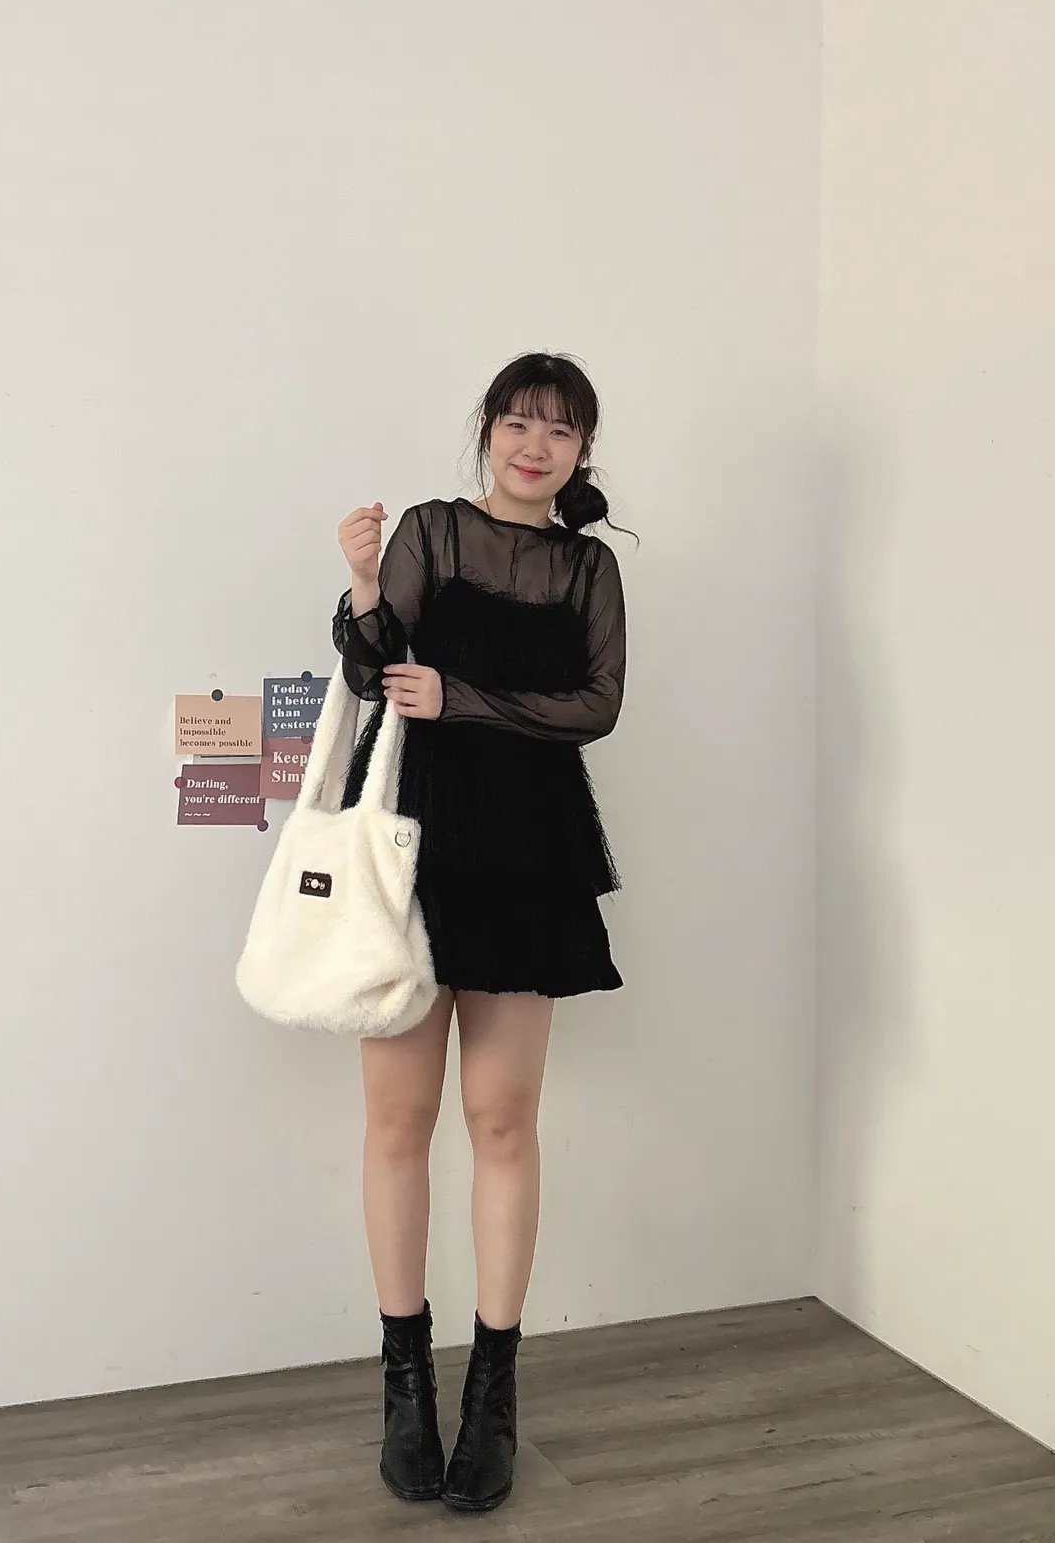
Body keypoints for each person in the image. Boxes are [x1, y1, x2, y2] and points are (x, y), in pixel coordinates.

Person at [332, 351, 627, 1513]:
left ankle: (494, 1400)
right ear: (489, 431)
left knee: (503, 1120)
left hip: (529, 851)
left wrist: (464, 698)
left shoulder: (588, 566)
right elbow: (372, 674)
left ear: (582, 449)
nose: (534, 446)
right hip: (412, 839)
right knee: (397, 1120)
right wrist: (366, 585)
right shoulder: (435, 532)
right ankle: (404, 1392)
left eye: (559, 430)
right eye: (517, 422)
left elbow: (597, 706)